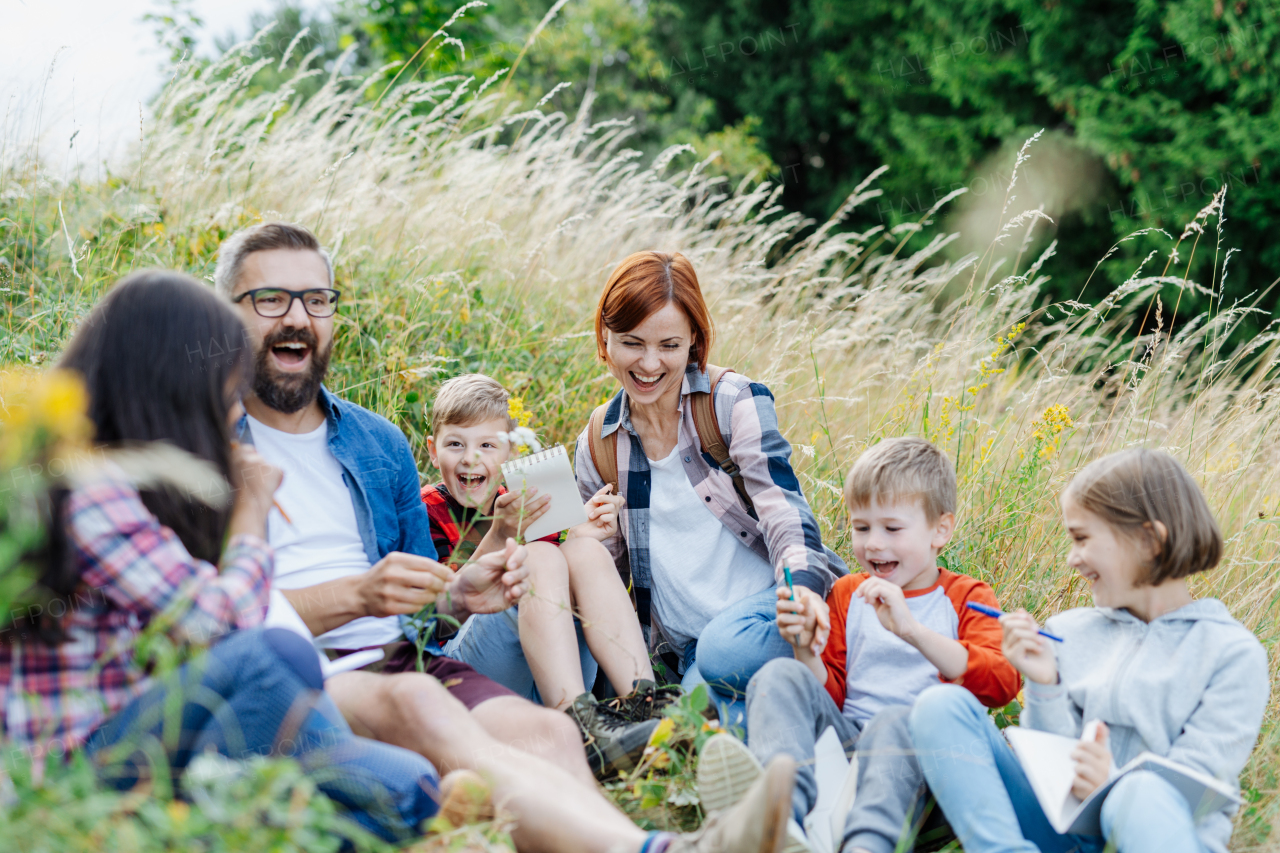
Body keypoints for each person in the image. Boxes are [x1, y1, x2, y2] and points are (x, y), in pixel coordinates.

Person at [215, 221, 799, 853]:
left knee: (548, 738)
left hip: (407, 657)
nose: (298, 317)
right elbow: (196, 623)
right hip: (301, 670)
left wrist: (460, 593)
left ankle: (648, 799)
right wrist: (361, 594)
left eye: (317, 300)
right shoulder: (196, 449)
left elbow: (423, 619)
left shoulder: (375, 443)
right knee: (419, 702)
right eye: (271, 299)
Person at [0, 270, 442, 842]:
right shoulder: (83, 487)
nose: (235, 414)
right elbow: (221, 622)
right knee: (275, 657)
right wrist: (251, 516)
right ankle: (222, 826)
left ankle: (239, 823)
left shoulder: (126, 484)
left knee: (412, 787)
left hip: (148, 734)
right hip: (66, 775)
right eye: (230, 394)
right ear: (177, 386)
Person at [909, 448, 1270, 853]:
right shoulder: (1069, 632)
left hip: (1155, 837)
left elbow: (1198, 790)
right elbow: (1050, 775)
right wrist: (1045, 682)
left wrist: (1111, 782)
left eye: (1082, 538)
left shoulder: (1231, 653)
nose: (1072, 558)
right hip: (1060, 834)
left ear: (1149, 540)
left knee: (1139, 792)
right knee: (940, 705)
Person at [699, 438, 1021, 853]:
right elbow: (832, 690)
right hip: (850, 746)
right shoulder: (850, 592)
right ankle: (782, 819)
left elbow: (1000, 684)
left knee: (894, 720)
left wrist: (913, 631)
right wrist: (803, 649)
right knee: (779, 674)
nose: (873, 544)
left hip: (925, 769)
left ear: (941, 530)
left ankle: (866, 844)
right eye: (861, 527)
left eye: (892, 528)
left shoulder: (967, 597)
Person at [574, 250, 845, 729]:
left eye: (669, 345)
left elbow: (783, 510)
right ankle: (825, 748)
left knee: (724, 654)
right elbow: (609, 589)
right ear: (606, 339)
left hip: (771, 616)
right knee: (701, 728)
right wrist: (593, 539)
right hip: (695, 651)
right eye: (632, 344)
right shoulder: (599, 442)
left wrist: (801, 593)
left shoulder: (732, 402)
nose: (650, 364)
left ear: (694, 340)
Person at [422, 373, 663, 776]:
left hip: (548, 675)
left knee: (582, 551)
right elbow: (437, 619)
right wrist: (500, 534)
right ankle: (580, 732)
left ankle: (645, 703)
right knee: (541, 557)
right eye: (455, 444)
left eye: (487, 445)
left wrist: (588, 528)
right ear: (433, 451)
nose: (470, 458)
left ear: (508, 452)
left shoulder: (520, 497)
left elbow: (572, 561)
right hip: (469, 674)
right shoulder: (426, 509)